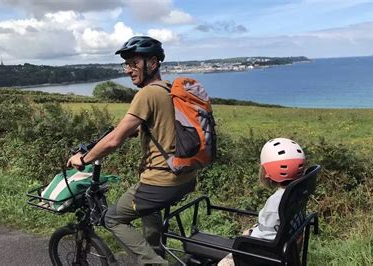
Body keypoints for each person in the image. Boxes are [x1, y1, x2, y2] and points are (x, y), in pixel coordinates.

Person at [67, 36, 197, 265]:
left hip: (161, 181)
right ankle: (156, 252)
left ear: (153, 62)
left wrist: (84, 158)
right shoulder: (168, 90)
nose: (128, 70)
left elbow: (114, 140)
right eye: (126, 64)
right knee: (149, 209)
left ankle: (155, 263)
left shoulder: (147, 94)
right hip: (185, 177)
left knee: (112, 218)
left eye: (134, 63)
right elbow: (157, 127)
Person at [218, 138, 306, 266]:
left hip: (265, 255)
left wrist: (249, 234)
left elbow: (265, 237)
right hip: (286, 251)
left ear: (267, 172)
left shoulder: (276, 203)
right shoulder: (298, 194)